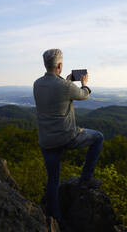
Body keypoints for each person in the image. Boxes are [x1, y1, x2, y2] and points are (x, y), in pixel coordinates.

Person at [33, 48, 104, 221]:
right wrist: (85, 83)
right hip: (67, 136)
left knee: (53, 180)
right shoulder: (65, 86)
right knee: (98, 137)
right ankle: (86, 178)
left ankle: (54, 219)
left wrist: (66, 81)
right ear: (60, 65)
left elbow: (55, 91)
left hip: (47, 140)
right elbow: (83, 95)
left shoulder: (37, 83)